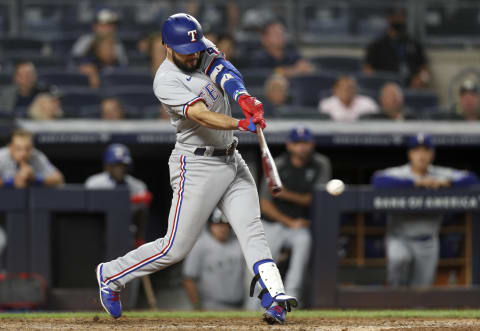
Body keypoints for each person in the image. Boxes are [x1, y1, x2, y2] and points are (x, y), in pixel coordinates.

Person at [95, 13, 297, 325]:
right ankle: (111, 274)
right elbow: (202, 115)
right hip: (196, 164)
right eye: (185, 52)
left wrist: (243, 97)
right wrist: (241, 122)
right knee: (175, 248)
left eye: (196, 50)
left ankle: (274, 296)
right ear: (167, 46)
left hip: (231, 157)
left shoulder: (199, 47)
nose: (193, 56)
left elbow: (223, 69)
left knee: (251, 228)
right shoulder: (165, 80)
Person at [372, 134, 479, 287]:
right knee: (399, 259)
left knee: (421, 293)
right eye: (416, 150)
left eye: (425, 150)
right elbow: (378, 180)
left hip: (428, 241)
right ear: (410, 154)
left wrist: (447, 183)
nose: (421, 155)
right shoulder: (401, 173)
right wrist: (416, 183)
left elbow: (472, 179)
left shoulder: (440, 174)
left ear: (432, 154)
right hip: (399, 237)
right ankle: (394, 300)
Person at [259, 127, 331, 302]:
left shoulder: (321, 163)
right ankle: (255, 307)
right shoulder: (277, 164)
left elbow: (312, 200)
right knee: (264, 266)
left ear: (312, 144)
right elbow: (264, 203)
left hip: (299, 226)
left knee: (303, 244)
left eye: (305, 142)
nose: (302, 147)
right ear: (289, 145)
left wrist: (284, 193)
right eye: (297, 143)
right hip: (273, 223)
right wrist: (289, 221)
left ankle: (291, 300)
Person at [85, 144, 151, 248]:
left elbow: (142, 208)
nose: (119, 169)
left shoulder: (137, 185)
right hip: (101, 228)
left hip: (126, 229)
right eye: (115, 165)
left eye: (122, 165)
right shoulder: (94, 183)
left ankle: (138, 241)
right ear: (107, 166)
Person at [183, 208, 244, 310]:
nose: (222, 228)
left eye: (225, 224)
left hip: (240, 305)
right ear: (210, 225)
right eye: (217, 224)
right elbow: (189, 279)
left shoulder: (239, 243)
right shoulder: (200, 245)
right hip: (211, 305)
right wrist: (197, 307)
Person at [364, 8, 430, 88]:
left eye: (401, 16)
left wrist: (421, 80)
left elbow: (425, 70)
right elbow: (368, 70)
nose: (398, 19)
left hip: (411, 89)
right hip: (386, 89)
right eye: (395, 16)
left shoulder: (415, 45)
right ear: (389, 18)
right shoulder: (376, 46)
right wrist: (380, 85)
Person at [0, 129, 64, 188]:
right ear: (10, 147)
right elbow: (17, 182)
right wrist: (11, 182)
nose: (23, 153)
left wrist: (35, 178)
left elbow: (59, 179)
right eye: (18, 148)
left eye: (27, 149)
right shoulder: (1, 156)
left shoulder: (37, 156)